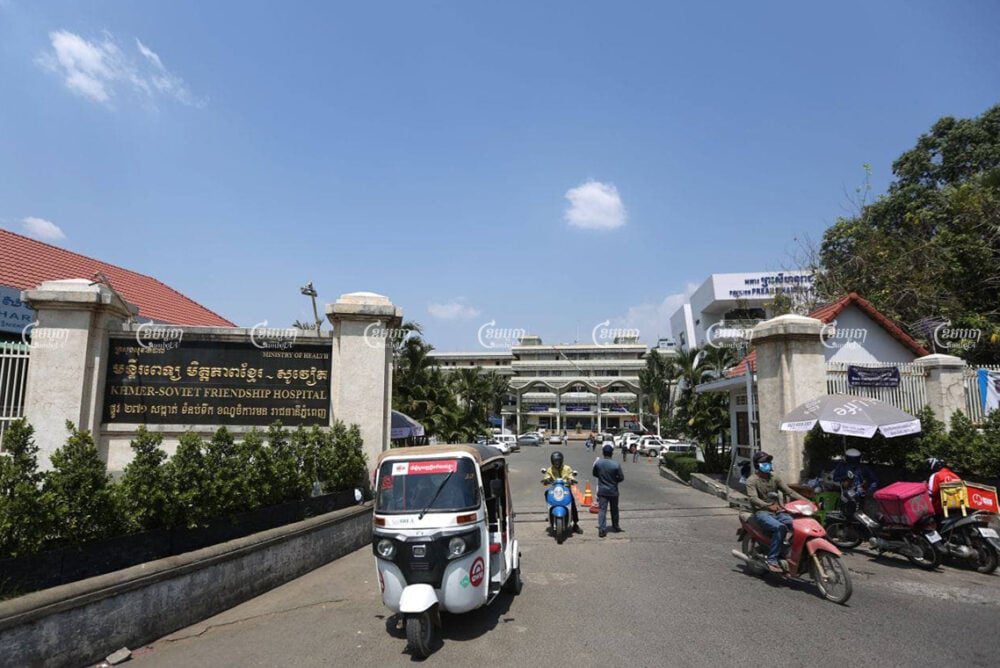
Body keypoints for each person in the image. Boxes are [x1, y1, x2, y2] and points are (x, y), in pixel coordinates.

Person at [744, 451, 808, 573]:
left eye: (768, 461)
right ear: (757, 465)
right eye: (764, 462)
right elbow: (753, 498)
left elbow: (789, 491)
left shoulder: (774, 477)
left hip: (778, 512)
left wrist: (808, 501)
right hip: (761, 513)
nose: (767, 464)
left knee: (798, 525)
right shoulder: (752, 480)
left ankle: (790, 552)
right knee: (780, 528)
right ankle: (772, 559)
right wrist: (768, 506)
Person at [542, 451, 582, 534]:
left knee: (573, 503)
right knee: (546, 493)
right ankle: (550, 511)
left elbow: (571, 475)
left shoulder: (567, 468)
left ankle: (575, 524)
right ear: (552, 461)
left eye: (558, 461)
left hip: (566, 488)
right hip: (554, 488)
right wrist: (546, 480)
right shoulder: (550, 469)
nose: (557, 463)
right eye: (555, 461)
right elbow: (547, 476)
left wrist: (571, 479)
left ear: (561, 461)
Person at [832, 448, 879, 515]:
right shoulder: (842, 466)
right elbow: (835, 479)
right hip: (846, 496)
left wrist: (869, 489)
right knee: (846, 514)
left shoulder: (863, 468)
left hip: (860, 496)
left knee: (859, 515)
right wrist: (844, 480)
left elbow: (874, 481)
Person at [593, 443, 625, 538]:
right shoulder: (616, 464)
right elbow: (621, 477)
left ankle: (602, 529)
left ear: (603, 453)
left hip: (602, 490)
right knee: (614, 509)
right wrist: (614, 480)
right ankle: (615, 526)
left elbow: (594, 474)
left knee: (602, 510)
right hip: (613, 490)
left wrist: (602, 478)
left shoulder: (598, 463)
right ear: (612, 453)